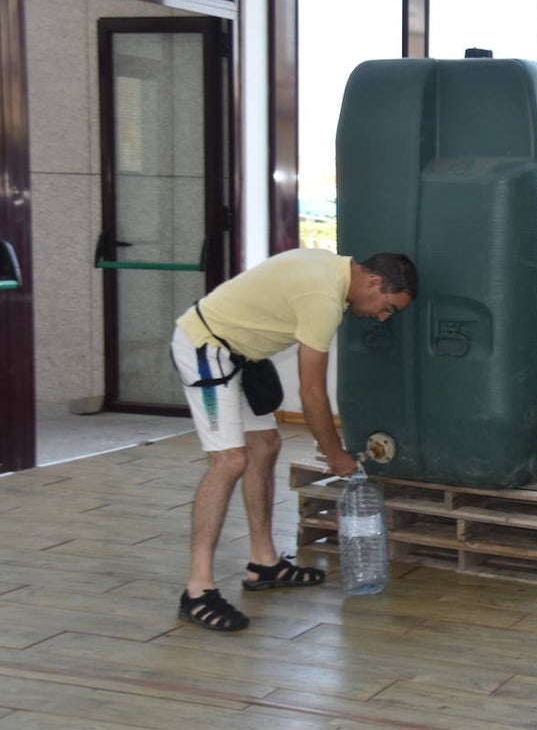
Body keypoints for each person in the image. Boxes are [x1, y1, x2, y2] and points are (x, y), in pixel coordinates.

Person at [169, 248, 417, 632]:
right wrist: (335, 455)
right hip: (205, 345)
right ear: (373, 282)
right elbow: (312, 393)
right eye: (389, 307)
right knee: (230, 460)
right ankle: (197, 590)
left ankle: (264, 563)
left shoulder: (330, 271)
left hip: (240, 355)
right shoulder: (323, 298)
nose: (383, 317)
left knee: (265, 445)